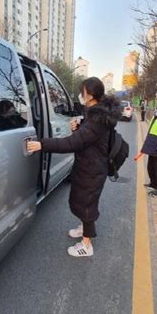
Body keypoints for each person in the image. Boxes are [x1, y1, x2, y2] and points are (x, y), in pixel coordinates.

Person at [26, 77, 121, 257]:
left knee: (87, 205)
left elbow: (72, 144)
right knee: (81, 201)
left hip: (92, 170)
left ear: (90, 94)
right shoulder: (95, 114)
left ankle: (86, 244)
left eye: (82, 91)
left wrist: (42, 144)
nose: (80, 94)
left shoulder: (97, 120)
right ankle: (83, 227)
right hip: (88, 166)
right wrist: (78, 128)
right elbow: (87, 141)